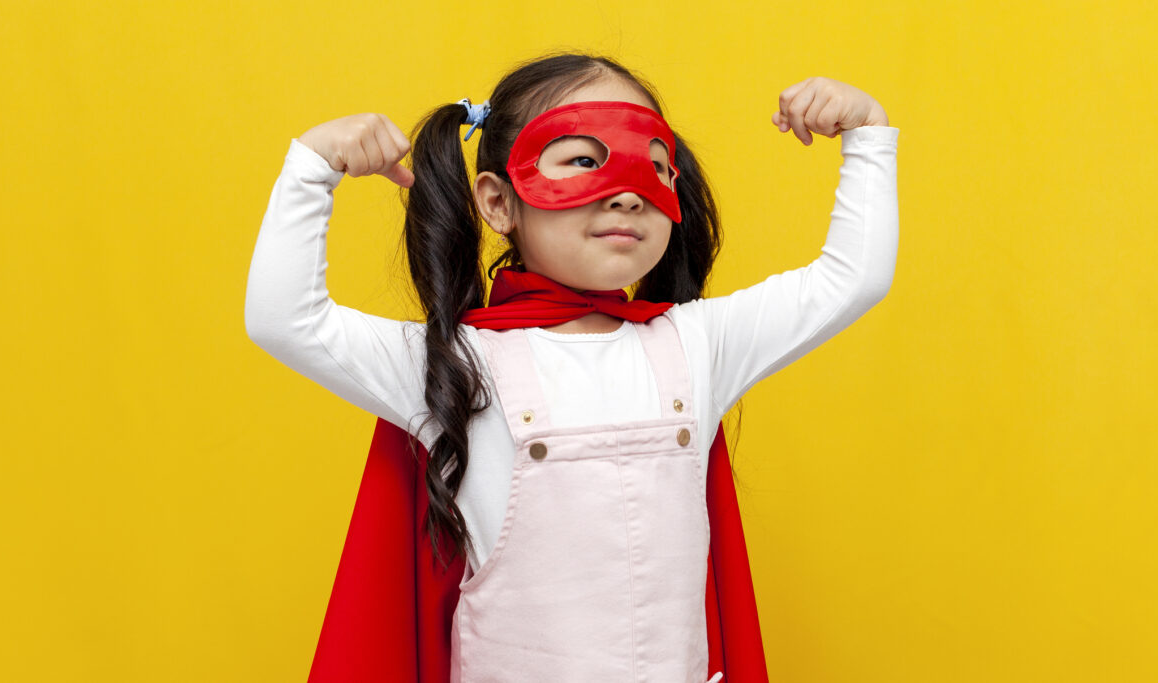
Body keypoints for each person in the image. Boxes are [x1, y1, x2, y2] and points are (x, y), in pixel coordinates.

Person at [245, 52, 898, 683]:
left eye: (655, 165)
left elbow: (852, 277)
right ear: (498, 203)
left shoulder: (700, 343)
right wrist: (312, 168)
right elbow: (283, 318)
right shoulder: (452, 365)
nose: (627, 195)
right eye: (584, 159)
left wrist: (867, 135)